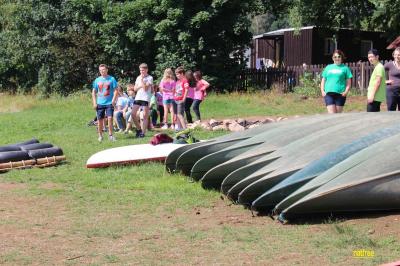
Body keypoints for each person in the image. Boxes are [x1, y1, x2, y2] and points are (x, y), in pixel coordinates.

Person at [92, 64, 118, 142]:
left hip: (109, 102)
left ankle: (111, 135)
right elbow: (93, 92)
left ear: (107, 70)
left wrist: (113, 100)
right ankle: (100, 136)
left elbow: (116, 90)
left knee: (110, 118)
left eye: (103, 69)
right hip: (100, 103)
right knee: (100, 120)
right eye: (100, 70)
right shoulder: (97, 80)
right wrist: (94, 102)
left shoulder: (112, 79)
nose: (102, 71)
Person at [130, 63, 153, 137]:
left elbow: (145, 88)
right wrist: (141, 84)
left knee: (144, 115)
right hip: (138, 97)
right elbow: (135, 89)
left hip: (145, 98)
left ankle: (143, 133)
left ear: (146, 70)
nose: (141, 72)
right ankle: (138, 129)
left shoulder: (150, 78)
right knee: (133, 114)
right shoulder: (138, 77)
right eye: (140, 70)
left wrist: (143, 80)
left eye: (143, 70)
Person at [174, 66, 189, 130]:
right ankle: (179, 129)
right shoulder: (177, 82)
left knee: (180, 114)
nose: (177, 75)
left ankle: (185, 129)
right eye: (176, 74)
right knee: (177, 115)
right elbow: (175, 90)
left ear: (182, 73)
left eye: (178, 74)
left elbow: (186, 90)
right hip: (176, 99)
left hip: (181, 100)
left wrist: (184, 99)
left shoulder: (185, 80)